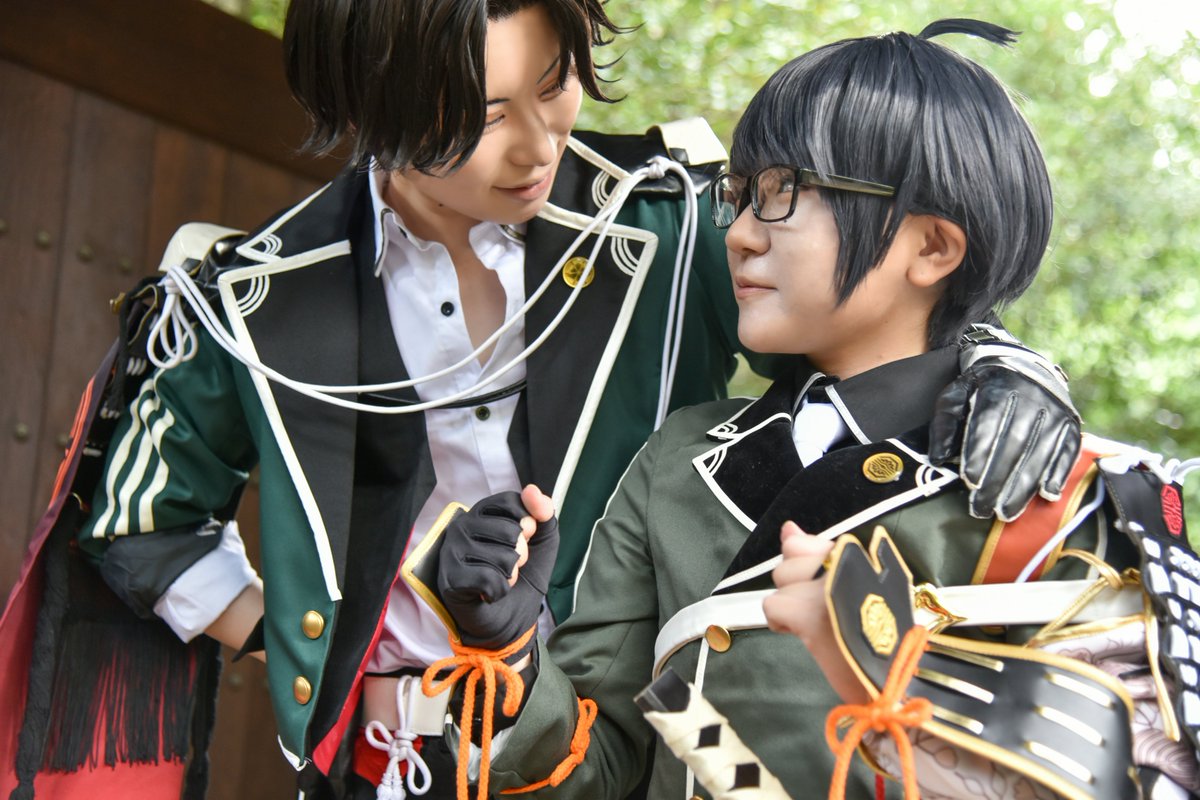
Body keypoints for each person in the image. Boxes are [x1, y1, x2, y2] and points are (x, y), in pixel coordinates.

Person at [0, 4, 1082, 800]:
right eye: (480, 117)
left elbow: (878, 296)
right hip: (386, 758)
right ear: (374, 112)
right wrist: (319, 651)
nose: (538, 143)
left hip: (627, 749)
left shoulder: (667, 223)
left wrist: (1009, 367)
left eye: (555, 82)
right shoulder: (256, 295)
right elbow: (138, 521)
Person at [416, 17, 1192, 800]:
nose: (740, 235)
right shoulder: (680, 458)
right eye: (740, 196)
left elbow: (1130, 772)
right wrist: (509, 651)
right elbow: (597, 766)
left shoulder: (1061, 495)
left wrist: (886, 665)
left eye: (783, 193)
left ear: (932, 247)